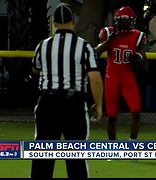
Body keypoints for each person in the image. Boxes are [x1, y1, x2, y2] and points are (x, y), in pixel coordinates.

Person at [29, 3, 103, 179]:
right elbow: (95, 79)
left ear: (54, 23)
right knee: (76, 157)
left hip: (47, 102)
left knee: (43, 157)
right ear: (72, 21)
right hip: (74, 104)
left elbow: (35, 69)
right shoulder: (84, 47)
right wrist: (98, 105)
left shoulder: (43, 46)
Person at [95, 6, 148, 141]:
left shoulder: (137, 35)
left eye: (127, 21)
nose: (125, 24)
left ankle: (132, 144)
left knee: (136, 112)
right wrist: (109, 40)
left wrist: (138, 57)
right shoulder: (108, 33)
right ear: (116, 21)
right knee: (112, 116)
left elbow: (143, 57)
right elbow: (96, 52)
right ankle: (113, 147)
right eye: (122, 21)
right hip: (111, 77)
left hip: (127, 76)